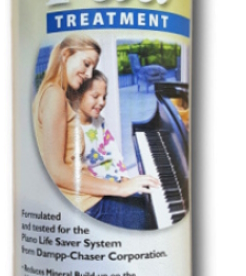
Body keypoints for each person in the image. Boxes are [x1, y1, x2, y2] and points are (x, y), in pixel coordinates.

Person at [32, 34, 158, 229]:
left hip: (84, 199)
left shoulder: (48, 92)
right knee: (152, 212)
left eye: (93, 67)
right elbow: (56, 172)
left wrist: (122, 183)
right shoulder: (54, 94)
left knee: (147, 199)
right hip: (86, 206)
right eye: (86, 64)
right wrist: (120, 188)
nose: (89, 74)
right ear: (66, 55)